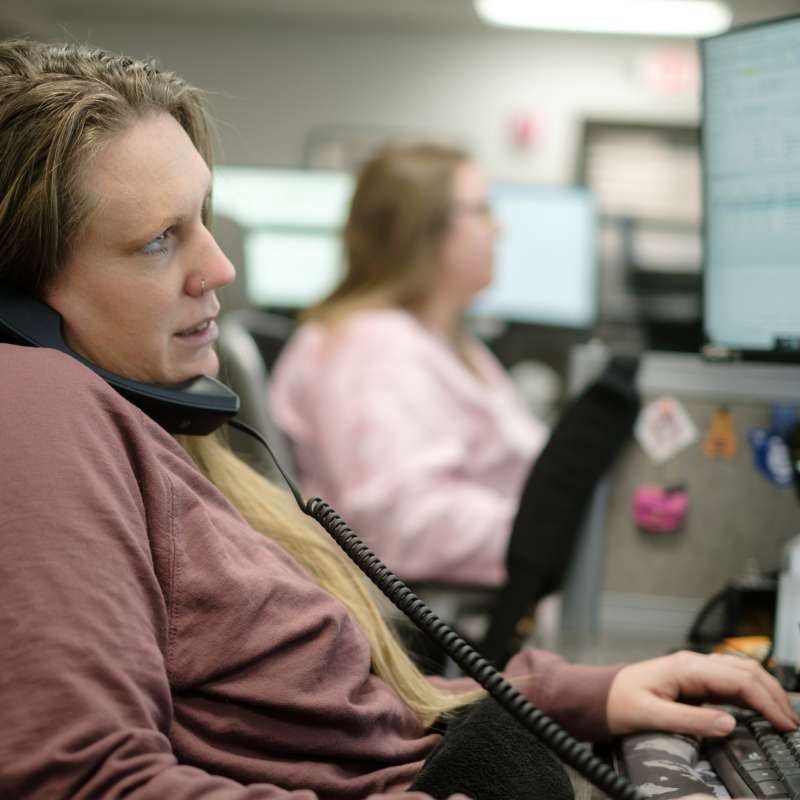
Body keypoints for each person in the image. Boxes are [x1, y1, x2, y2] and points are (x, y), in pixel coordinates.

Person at [0, 39, 795, 800]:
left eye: (203, 216)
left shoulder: (153, 428)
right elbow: (80, 783)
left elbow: (349, 715)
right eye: (157, 241)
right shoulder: (36, 402)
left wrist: (583, 692)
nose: (220, 267)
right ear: (26, 301)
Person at [270, 144, 549, 587]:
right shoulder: (372, 349)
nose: (499, 228)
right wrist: (557, 531)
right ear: (423, 232)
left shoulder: (445, 340)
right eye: (481, 211)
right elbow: (402, 523)